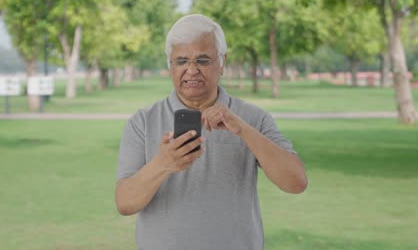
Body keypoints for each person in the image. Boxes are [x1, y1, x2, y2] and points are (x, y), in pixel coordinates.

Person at [115, 14, 307, 250]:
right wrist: (163, 163)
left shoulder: (253, 118)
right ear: (170, 66)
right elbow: (125, 203)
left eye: (203, 60)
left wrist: (243, 130)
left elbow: (296, 183)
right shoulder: (142, 122)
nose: (192, 70)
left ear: (222, 62)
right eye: (181, 61)